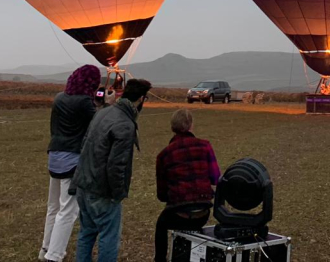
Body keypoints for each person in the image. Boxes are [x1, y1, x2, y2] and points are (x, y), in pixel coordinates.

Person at [71, 77, 152, 262]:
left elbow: (84, 146)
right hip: (102, 192)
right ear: (141, 99)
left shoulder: (102, 112)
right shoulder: (125, 124)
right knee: (109, 237)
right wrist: (117, 194)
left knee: (86, 233)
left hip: (84, 184)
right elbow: (117, 164)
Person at [39, 65, 100, 262]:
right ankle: (55, 255)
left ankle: (45, 248)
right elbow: (98, 124)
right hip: (72, 160)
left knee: (53, 207)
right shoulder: (84, 102)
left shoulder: (59, 98)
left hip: (55, 156)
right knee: (68, 211)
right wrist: (105, 105)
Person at [153, 109, 221, 262]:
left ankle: (160, 259)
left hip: (178, 214)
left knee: (161, 225)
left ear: (172, 127)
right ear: (191, 125)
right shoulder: (205, 146)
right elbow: (216, 178)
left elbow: (161, 195)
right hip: (202, 213)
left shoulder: (164, 155)